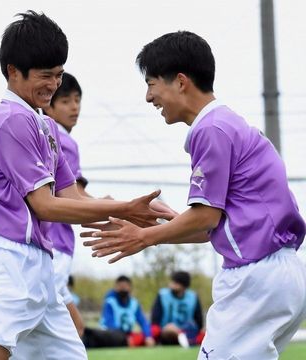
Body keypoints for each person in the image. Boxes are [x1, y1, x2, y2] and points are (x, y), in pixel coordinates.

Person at [0, 11, 173, 360]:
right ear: (13, 71)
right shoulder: (13, 120)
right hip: (11, 264)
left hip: (41, 266)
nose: (54, 85)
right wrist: (123, 208)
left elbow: (71, 196)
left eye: (59, 75)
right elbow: (45, 206)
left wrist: (134, 214)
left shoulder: (43, 124)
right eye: (46, 76)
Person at [83, 31, 306, 360]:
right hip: (282, 274)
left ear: (181, 82)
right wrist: (171, 224)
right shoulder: (230, 125)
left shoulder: (210, 129)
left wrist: (143, 237)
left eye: (151, 83)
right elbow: (208, 227)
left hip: (254, 278)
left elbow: (205, 217)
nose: (148, 97)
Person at [42, 72, 87, 337]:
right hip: (55, 244)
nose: (74, 107)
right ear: (49, 105)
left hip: (45, 242)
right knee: (65, 330)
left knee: (75, 329)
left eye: (78, 100)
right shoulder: (63, 141)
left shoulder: (40, 133)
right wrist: (119, 210)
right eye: (66, 101)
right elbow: (76, 198)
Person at [97, 276, 154, 347]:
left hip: (128, 335)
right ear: (116, 288)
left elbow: (143, 322)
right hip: (109, 334)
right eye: (120, 287)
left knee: (152, 332)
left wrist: (148, 336)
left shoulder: (134, 303)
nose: (123, 289)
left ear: (130, 288)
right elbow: (109, 323)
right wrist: (123, 338)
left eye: (125, 287)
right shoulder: (110, 302)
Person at [151, 271, 204, 347]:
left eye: (175, 283)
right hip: (167, 332)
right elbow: (155, 319)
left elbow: (199, 321)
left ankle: (188, 339)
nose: (171, 284)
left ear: (183, 286)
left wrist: (196, 329)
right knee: (169, 329)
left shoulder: (193, 297)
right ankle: (185, 340)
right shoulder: (163, 295)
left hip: (188, 330)